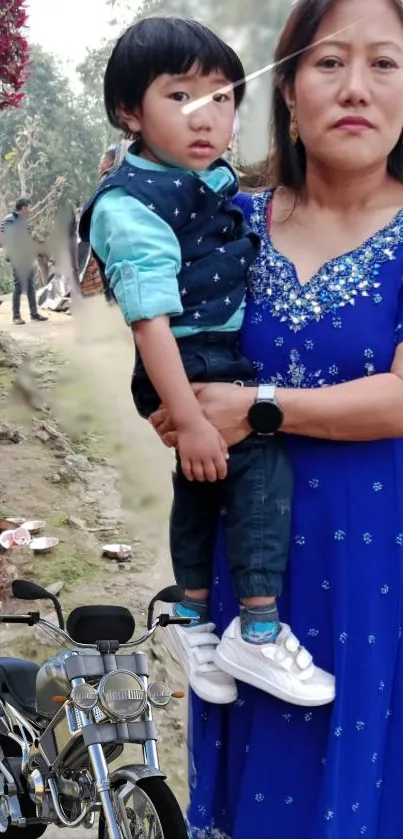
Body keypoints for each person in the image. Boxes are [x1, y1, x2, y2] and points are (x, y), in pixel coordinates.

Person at [149, 0, 403, 836]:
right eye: (329, 63)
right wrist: (172, 406)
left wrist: (253, 409)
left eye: (384, 63)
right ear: (286, 92)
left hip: (379, 572)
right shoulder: (227, 221)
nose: (355, 87)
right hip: (249, 571)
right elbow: (163, 343)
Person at [79, 16, 334, 708]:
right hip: (189, 356)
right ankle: (256, 624)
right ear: (129, 112)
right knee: (255, 460)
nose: (206, 116)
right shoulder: (131, 205)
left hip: (204, 353)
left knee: (202, 479)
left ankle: (189, 617)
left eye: (221, 97)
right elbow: (149, 323)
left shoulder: (203, 179)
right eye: (180, 96)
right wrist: (190, 414)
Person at [0, 197, 47, 325]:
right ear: (23, 207)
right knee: (19, 286)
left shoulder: (27, 222)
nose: (30, 210)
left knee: (31, 286)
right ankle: (16, 316)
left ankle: (34, 314)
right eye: (29, 207)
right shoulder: (9, 219)